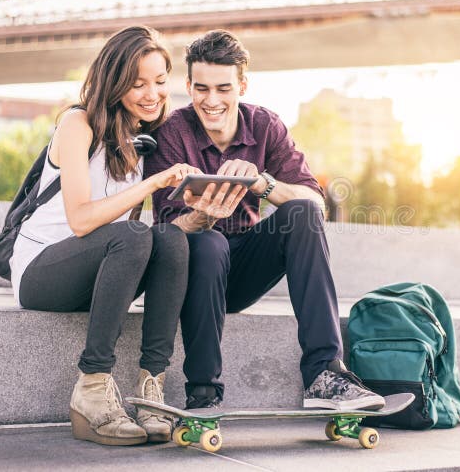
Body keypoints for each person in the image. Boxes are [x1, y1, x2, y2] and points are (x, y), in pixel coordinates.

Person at [143, 30, 385, 411]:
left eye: (224, 88)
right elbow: (165, 235)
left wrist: (262, 182)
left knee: (300, 211)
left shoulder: (265, 126)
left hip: (245, 266)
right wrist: (203, 216)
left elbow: (315, 203)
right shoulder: (171, 132)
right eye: (201, 89)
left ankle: (325, 374)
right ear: (188, 86)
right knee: (209, 242)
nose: (212, 101)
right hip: (195, 272)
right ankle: (203, 391)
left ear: (242, 84)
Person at [9, 26, 200, 446]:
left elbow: (139, 241)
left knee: (169, 237)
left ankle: (152, 387)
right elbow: (81, 221)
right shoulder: (78, 124)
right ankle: (92, 389)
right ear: (115, 83)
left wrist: (200, 213)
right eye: (138, 84)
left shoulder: (141, 137)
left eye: (160, 81)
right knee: (133, 234)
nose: (152, 94)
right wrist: (152, 184)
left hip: (97, 274)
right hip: (42, 272)